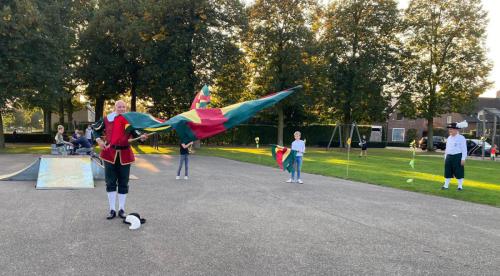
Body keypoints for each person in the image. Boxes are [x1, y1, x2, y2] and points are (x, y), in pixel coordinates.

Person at [93, 100, 148, 220]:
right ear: (115, 108)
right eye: (119, 106)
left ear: (126, 108)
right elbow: (95, 130)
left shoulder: (129, 120)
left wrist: (142, 137)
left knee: (123, 183)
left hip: (125, 155)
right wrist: (99, 141)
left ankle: (121, 209)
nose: (121, 108)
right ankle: (112, 209)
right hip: (109, 154)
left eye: (123, 107)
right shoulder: (107, 119)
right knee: (110, 182)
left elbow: (136, 133)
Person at [442, 121, 468, 191]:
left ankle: (460, 187)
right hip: (449, 157)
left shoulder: (461, 138)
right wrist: (445, 158)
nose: (450, 130)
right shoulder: (449, 138)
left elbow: (464, 150)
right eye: (449, 129)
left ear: (456, 130)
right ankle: (446, 186)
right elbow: (447, 149)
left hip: (457, 156)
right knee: (447, 171)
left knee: (459, 172)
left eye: (451, 129)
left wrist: (463, 159)